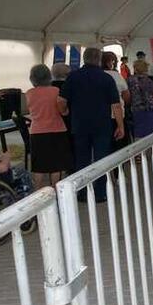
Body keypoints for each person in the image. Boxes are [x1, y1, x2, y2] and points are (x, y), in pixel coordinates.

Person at [58, 47, 123, 202]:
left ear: (84, 59)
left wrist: (65, 112)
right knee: (102, 159)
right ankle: (100, 193)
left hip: (79, 124)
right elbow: (116, 105)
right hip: (102, 124)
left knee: (82, 159)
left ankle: (82, 193)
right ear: (99, 60)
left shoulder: (72, 77)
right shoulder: (106, 78)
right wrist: (120, 125)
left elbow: (61, 101)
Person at [25, 65, 72, 192]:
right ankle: (55, 189)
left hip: (37, 132)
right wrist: (66, 111)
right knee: (56, 163)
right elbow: (62, 110)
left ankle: (37, 191)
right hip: (57, 130)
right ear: (48, 76)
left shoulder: (29, 93)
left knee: (38, 164)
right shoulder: (56, 91)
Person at [102, 51, 131, 150]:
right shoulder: (116, 75)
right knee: (119, 143)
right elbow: (126, 94)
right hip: (117, 115)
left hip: (100, 116)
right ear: (109, 62)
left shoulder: (96, 75)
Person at [128, 60, 153, 138]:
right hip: (152, 110)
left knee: (140, 136)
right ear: (146, 68)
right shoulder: (152, 79)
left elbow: (128, 96)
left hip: (137, 111)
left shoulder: (130, 80)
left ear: (135, 69)